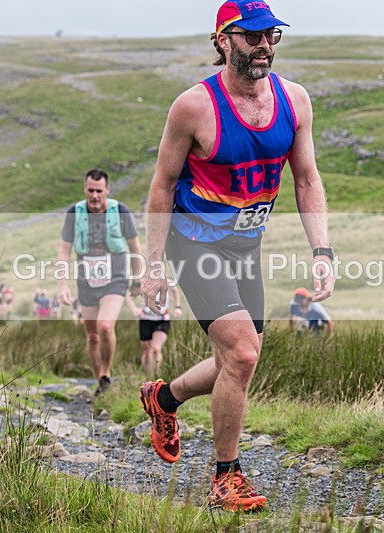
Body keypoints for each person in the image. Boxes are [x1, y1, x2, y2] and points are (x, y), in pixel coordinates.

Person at [139, 0, 335, 512]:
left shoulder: (295, 101)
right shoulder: (193, 107)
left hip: (246, 245)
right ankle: (226, 477)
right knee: (243, 354)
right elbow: (161, 186)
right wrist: (153, 266)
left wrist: (322, 250)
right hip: (194, 241)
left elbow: (307, 179)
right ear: (223, 40)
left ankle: (163, 399)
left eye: (271, 35)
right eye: (252, 36)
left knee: (237, 359)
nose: (264, 45)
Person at [58, 168, 143, 397]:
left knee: (105, 326)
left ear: (107, 190)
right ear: (84, 190)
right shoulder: (74, 213)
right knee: (92, 336)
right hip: (86, 280)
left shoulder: (120, 211)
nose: (94, 195)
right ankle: (101, 384)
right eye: (90, 190)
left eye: (99, 191)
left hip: (115, 278)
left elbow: (134, 247)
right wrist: (63, 285)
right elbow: (64, 250)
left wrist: (137, 279)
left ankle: (106, 372)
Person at [126, 285, 182, 376]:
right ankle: (147, 376)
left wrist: (177, 307)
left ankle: (156, 375)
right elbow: (130, 296)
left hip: (162, 319)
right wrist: (134, 310)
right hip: (145, 319)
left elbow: (175, 290)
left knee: (156, 349)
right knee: (147, 352)